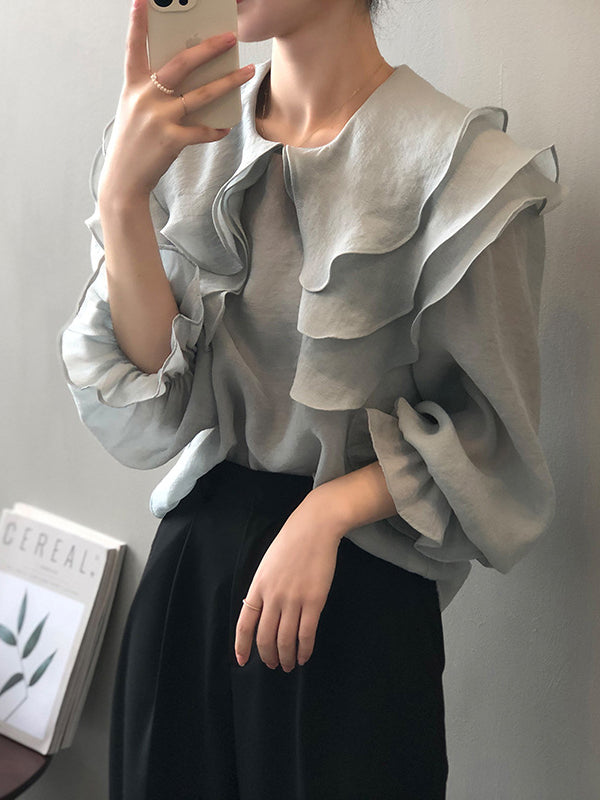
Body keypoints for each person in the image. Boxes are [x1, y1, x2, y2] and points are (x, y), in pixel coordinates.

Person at [58, 0, 567, 797]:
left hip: (354, 599)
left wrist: (329, 511)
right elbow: (157, 403)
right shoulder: (187, 144)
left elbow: (492, 445)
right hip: (190, 584)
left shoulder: (467, 177)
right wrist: (124, 195)